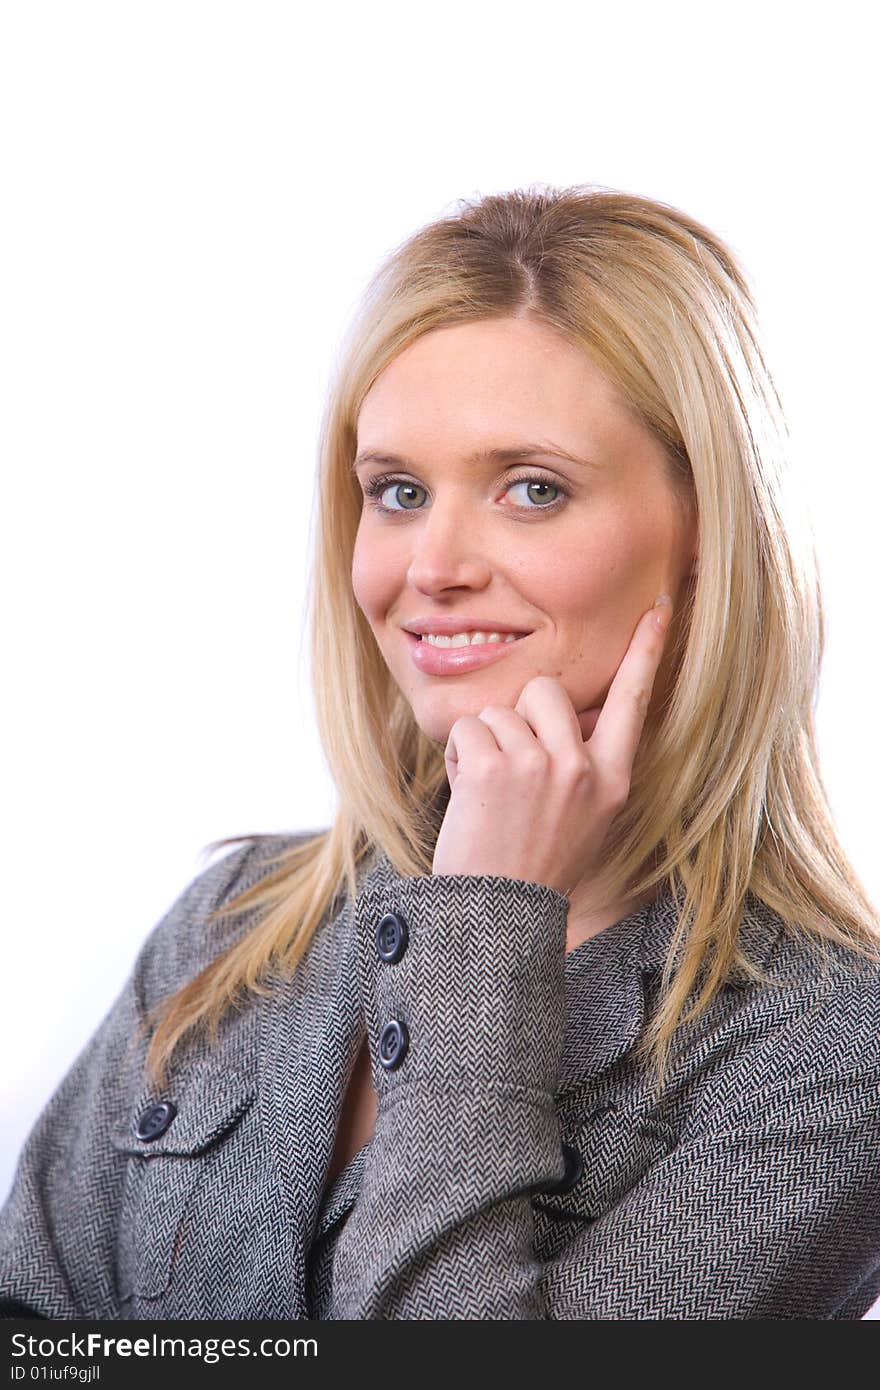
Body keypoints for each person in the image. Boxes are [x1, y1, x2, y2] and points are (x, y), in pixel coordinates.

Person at [2, 183, 880, 1322]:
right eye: (398, 492)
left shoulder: (824, 1045)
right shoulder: (235, 919)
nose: (433, 565)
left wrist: (482, 916)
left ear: (712, 534)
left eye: (532, 489)